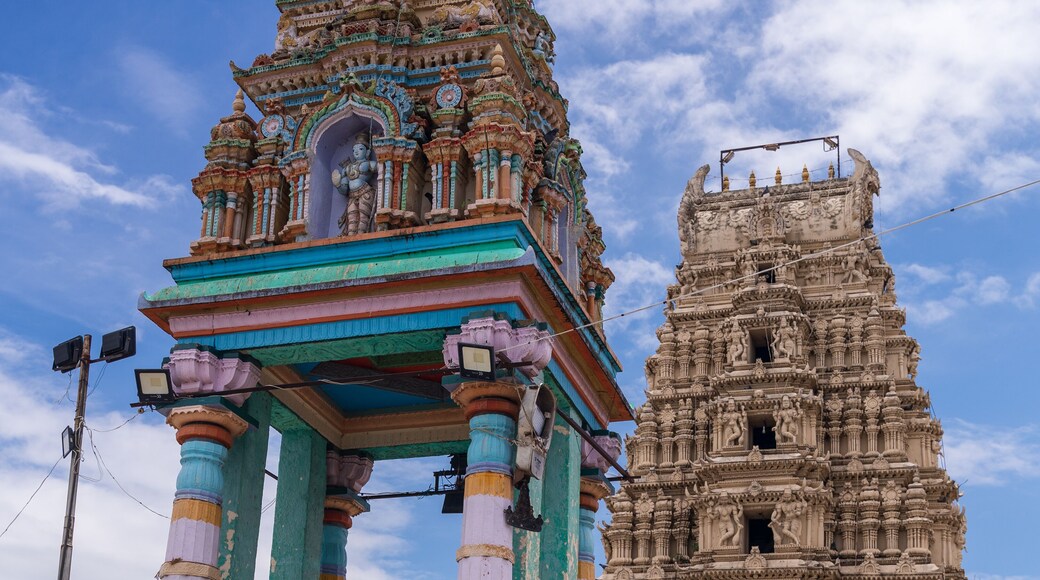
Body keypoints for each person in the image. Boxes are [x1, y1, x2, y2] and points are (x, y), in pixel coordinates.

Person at [332, 132, 376, 236]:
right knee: (351, 218)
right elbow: (344, 190)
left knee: (363, 217)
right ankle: (350, 239)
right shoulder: (346, 169)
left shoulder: (368, 164)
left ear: (367, 152)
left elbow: (383, 168)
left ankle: (361, 237)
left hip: (365, 192)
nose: (356, 152)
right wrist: (337, 184)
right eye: (354, 150)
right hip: (352, 196)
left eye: (360, 149)